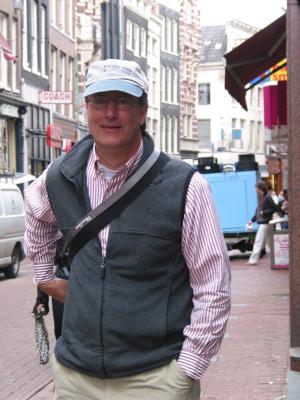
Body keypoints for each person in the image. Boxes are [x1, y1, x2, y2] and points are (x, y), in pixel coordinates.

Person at [24, 58, 231, 400]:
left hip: (155, 377)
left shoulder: (184, 185)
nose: (110, 113)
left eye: (122, 101)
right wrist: (45, 276)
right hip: (77, 376)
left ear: (142, 109)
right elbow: (36, 216)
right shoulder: (59, 176)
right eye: (100, 101)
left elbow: (213, 286)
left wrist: (186, 371)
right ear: (86, 107)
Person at [247, 180, 278, 265]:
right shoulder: (261, 197)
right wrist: (252, 220)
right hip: (264, 222)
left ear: (260, 188)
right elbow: (258, 211)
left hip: (265, 222)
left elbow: (275, 208)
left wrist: (264, 212)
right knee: (269, 242)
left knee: (258, 241)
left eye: (256, 188)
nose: (255, 189)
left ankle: (253, 260)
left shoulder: (267, 197)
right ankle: (280, 256)